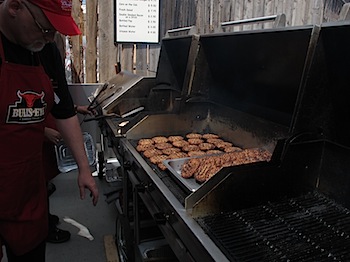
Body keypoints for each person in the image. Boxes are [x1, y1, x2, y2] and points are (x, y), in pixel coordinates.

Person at [0, 0, 99, 261]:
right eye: (44, 28)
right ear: (14, 7)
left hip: (27, 187)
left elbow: (64, 111)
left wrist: (84, 169)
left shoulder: (44, 51)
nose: (49, 37)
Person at [43, 106, 95, 244]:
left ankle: (45, 217)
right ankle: (45, 229)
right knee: (38, 188)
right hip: (32, 145)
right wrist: (43, 131)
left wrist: (75, 108)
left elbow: (53, 104)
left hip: (48, 143)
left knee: (45, 183)